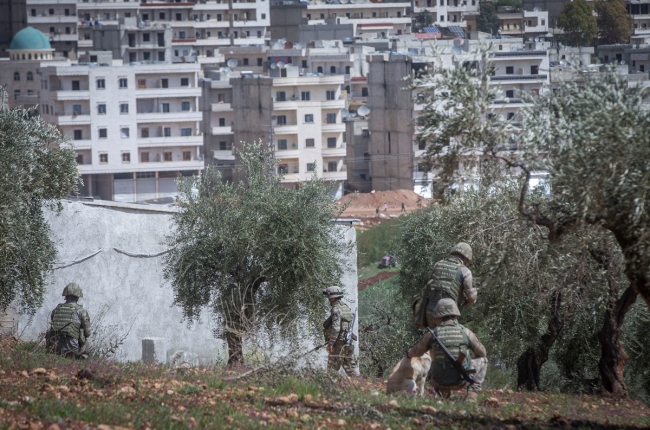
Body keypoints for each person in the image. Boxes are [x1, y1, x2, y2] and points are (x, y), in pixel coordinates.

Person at [406, 299, 487, 403]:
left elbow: (416, 352)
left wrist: (408, 354)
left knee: (433, 360)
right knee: (483, 360)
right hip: (462, 381)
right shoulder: (466, 332)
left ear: (438, 317)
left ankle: (443, 394)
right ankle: (472, 396)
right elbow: (482, 353)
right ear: (455, 315)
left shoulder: (432, 334)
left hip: (439, 382)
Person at [424, 242, 476, 329]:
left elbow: (429, 284)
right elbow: (472, 298)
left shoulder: (437, 264)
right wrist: (465, 303)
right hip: (447, 316)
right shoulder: (465, 271)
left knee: (433, 340)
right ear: (466, 258)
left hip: (430, 312)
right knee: (448, 341)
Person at [45, 283, 91, 359]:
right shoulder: (81, 311)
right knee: (89, 341)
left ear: (65, 295)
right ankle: (82, 359)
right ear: (78, 297)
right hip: (72, 348)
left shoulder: (56, 310)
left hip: (54, 347)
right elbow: (88, 333)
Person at [322, 286, 359, 376]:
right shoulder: (345, 307)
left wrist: (331, 343)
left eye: (328, 298)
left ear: (333, 298)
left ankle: (329, 388)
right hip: (347, 342)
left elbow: (336, 328)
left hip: (339, 343)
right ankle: (358, 385)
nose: (328, 299)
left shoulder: (336, 309)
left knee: (331, 369)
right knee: (351, 366)